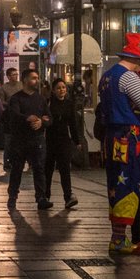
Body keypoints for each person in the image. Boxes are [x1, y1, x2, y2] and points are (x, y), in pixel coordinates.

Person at [97, 33, 140, 254]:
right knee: (129, 184)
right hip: (129, 138)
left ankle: (119, 236)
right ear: (137, 60)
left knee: (116, 185)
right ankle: (119, 240)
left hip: (113, 137)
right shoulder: (128, 77)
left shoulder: (107, 76)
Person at [4, 68, 51, 210]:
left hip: (37, 140)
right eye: (33, 78)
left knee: (39, 168)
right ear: (25, 80)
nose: (36, 81)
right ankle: (12, 196)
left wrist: (42, 122)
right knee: (17, 169)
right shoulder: (16, 98)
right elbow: (14, 116)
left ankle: (41, 197)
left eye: (37, 78)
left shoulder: (40, 99)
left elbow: (49, 117)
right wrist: (27, 119)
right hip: (20, 140)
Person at [44, 78, 81, 209]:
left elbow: (73, 123)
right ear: (53, 91)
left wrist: (77, 141)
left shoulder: (69, 103)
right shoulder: (48, 103)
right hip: (50, 140)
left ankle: (68, 196)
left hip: (64, 140)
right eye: (59, 88)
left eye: (63, 88)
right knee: (47, 169)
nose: (62, 90)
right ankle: (45, 196)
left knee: (65, 169)